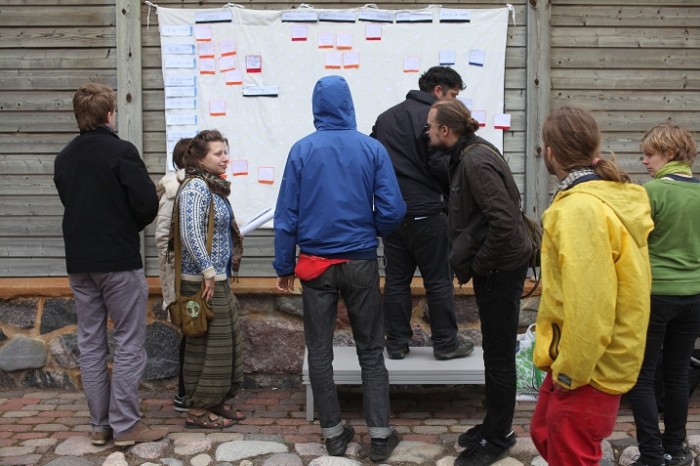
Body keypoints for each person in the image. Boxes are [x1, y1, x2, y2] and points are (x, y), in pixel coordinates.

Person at [273, 75, 406, 462]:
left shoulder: (301, 151)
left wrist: (284, 265)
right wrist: (369, 230)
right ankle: (380, 436)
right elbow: (394, 210)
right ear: (349, 104)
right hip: (360, 260)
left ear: (317, 107)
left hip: (315, 266)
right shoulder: (372, 149)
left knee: (319, 350)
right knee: (370, 350)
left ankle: (333, 435)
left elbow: (287, 216)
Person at [530, 106, 653, 466]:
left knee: (570, 451)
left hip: (589, 362)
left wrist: (572, 370)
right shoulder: (593, 198)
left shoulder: (580, 210)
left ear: (550, 152)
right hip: (581, 354)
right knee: (544, 432)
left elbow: (591, 301)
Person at [53, 82, 168, 446]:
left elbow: (70, 200)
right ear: (108, 115)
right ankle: (126, 425)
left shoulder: (65, 157)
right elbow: (146, 206)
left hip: (80, 260)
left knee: (90, 343)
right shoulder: (121, 151)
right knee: (129, 341)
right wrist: (125, 223)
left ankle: (99, 426)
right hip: (117, 259)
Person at [426, 99, 532, 466]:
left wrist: (482, 265)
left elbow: (503, 221)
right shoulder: (470, 153)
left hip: (501, 269)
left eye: (430, 126)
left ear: (445, 130)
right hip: (498, 267)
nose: (426, 132)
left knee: (500, 356)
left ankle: (499, 436)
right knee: (494, 353)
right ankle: (492, 425)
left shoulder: (474, 160)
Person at [371, 66, 472, 361]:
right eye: (452, 95)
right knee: (439, 280)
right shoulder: (436, 121)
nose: (453, 102)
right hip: (429, 213)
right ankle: (445, 344)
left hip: (393, 215)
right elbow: (440, 165)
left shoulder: (385, 118)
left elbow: (374, 159)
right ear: (438, 91)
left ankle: (397, 344)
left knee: (396, 281)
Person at [627, 123, 700, 466]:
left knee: (642, 377)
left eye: (649, 154)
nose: (644, 161)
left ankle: (652, 454)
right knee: (678, 373)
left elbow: (632, 242)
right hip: (694, 297)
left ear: (669, 154)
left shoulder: (651, 192)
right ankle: (677, 447)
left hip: (656, 296)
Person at [175, 129, 246, 429]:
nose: (225, 158)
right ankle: (198, 412)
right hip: (203, 281)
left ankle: (216, 401)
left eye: (226, 151)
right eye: (218, 153)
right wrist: (206, 270)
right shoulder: (195, 188)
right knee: (207, 348)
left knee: (225, 343)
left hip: (217, 278)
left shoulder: (211, 186)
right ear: (201, 159)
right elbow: (190, 233)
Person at [154, 137, 191, 413]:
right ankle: (183, 394)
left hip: (194, 275)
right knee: (191, 332)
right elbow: (164, 238)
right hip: (182, 277)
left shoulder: (195, 187)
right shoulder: (173, 190)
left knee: (196, 332)